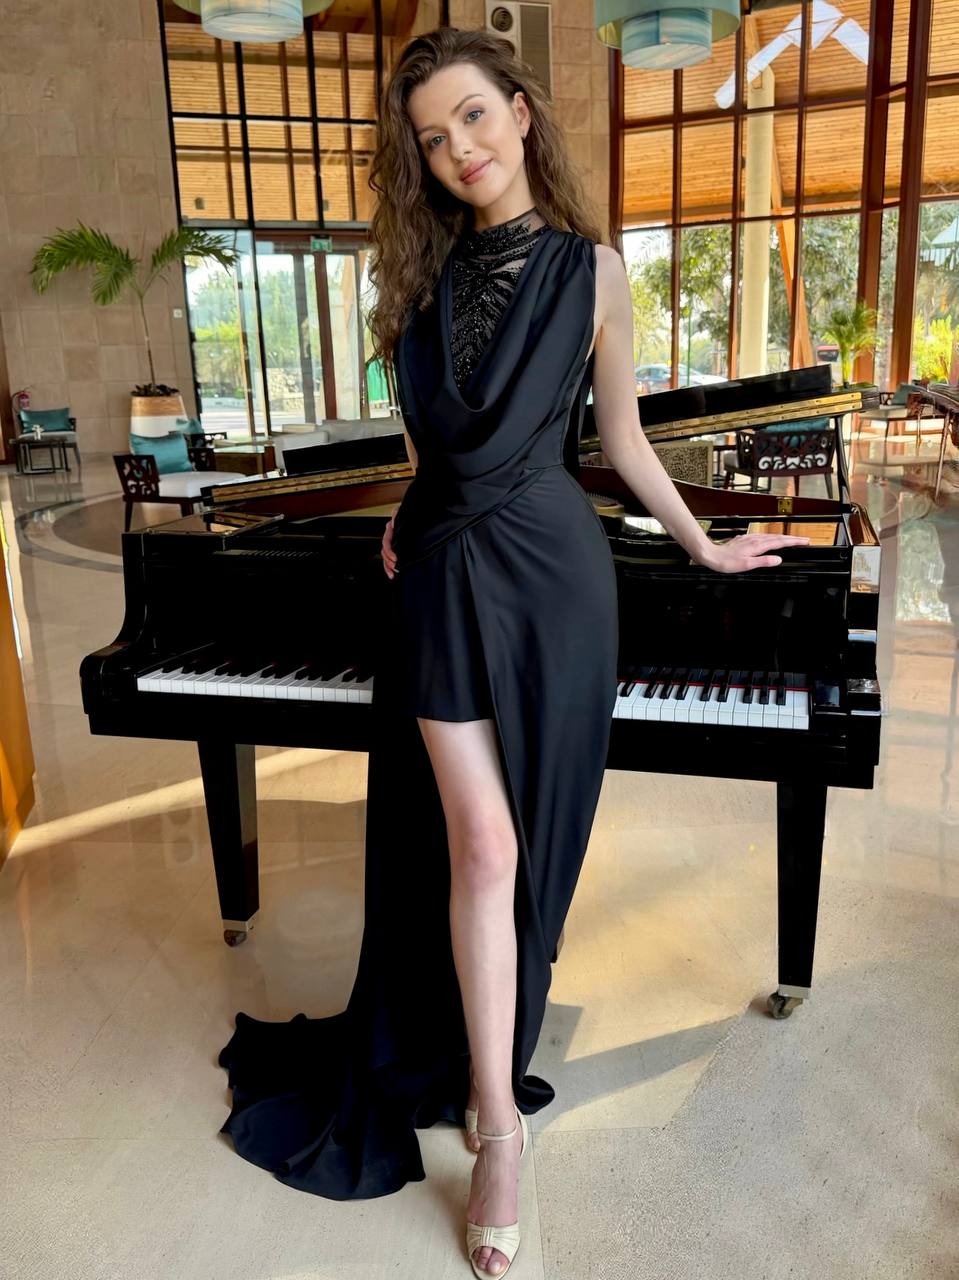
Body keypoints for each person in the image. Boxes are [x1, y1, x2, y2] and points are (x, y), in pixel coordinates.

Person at [216, 26, 808, 1279]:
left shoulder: (594, 271)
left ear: (521, 111)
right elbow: (432, 447)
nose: (459, 150)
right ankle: (496, 1124)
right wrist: (406, 506)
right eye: (432, 138)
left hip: (556, 579)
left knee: (528, 848)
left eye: (473, 116)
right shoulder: (419, 282)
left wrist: (702, 546)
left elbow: (621, 442)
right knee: (479, 845)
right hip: (439, 576)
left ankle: (489, 1065)